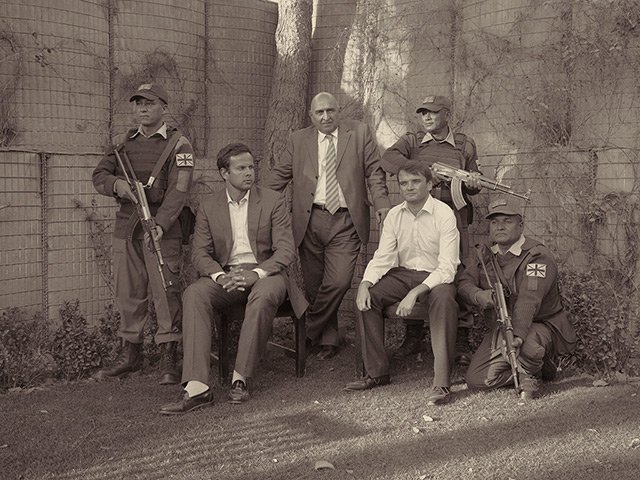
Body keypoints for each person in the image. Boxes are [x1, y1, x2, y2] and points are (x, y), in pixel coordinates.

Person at [159, 143, 307, 415]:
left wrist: (255, 274)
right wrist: (220, 276)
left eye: (251, 167)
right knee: (194, 294)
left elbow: (286, 251)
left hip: (267, 273)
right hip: (226, 275)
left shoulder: (272, 200)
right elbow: (199, 253)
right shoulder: (209, 205)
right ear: (224, 173)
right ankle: (197, 388)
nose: (249, 173)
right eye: (241, 168)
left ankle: (240, 378)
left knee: (263, 295)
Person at [263, 92, 391, 360]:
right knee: (314, 285)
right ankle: (328, 339)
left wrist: (382, 203)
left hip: (346, 220)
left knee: (338, 281)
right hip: (309, 219)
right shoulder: (299, 140)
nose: (325, 116)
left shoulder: (359, 133)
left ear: (339, 110)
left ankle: (306, 331)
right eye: (319, 112)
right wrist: (257, 204)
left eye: (330, 110)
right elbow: (280, 175)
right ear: (311, 116)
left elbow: (374, 172)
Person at [92, 83, 194, 385]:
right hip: (127, 227)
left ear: (164, 107)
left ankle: (169, 355)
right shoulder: (123, 143)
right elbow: (99, 175)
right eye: (138, 103)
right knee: (128, 292)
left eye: (149, 102)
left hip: (162, 229)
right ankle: (130, 354)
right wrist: (117, 185)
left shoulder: (179, 145)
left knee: (166, 291)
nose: (143, 108)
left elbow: (179, 190)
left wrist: (160, 224)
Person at [344, 162, 460, 405]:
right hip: (403, 274)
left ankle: (442, 382)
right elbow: (383, 257)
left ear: (429, 184)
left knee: (444, 300)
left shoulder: (444, 213)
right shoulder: (395, 215)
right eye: (404, 183)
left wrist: (416, 292)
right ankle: (376, 373)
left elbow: (448, 267)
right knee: (368, 297)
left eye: (415, 182)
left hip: (437, 277)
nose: (409, 187)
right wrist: (364, 284)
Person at [381, 95, 481, 362]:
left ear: (447, 114)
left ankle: (460, 339)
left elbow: (474, 180)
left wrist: (473, 182)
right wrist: (424, 171)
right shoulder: (412, 141)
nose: (426, 117)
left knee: (459, 272)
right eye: (423, 112)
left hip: (454, 218)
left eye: (433, 112)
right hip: (420, 217)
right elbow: (388, 159)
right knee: (414, 267)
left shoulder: (464, 144)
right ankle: (413, 335)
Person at [457, 197, 576, 400]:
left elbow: (529, 300)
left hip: (540, 324)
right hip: (503, 325)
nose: (500, 226)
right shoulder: (484, 254)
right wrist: (479, 295)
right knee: (476, 380)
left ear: (521, 225)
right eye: (494, 222)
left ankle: (534, 366)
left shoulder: (537, 256)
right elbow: (464, 283)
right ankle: (531, 371)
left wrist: (517, 336)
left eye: (507, 221)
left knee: (528, 348)